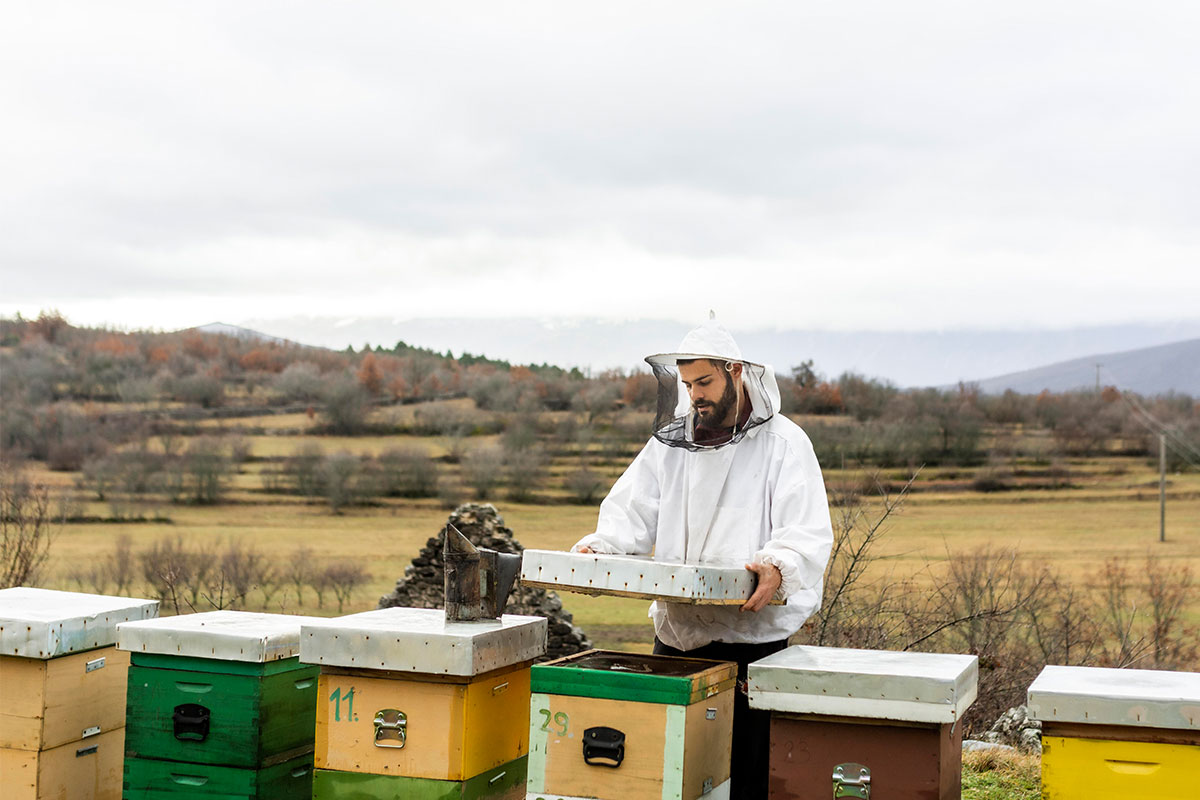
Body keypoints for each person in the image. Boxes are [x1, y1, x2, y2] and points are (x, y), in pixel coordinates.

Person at [572, 314, 833, 799]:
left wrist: (778, 565)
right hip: (675, 641)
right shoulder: (670, 445)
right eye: (688, 384)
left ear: (736, 371)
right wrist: (600, 547)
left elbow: (806, 531)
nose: (695, 394)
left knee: (747, 780)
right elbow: (632, 511)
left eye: (705, 382)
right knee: (669, 777)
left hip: (751, 647)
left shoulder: (784, 444)